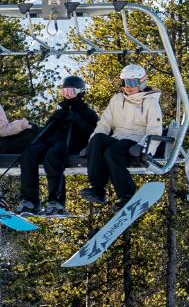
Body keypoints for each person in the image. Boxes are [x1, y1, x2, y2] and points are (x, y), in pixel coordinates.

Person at [82, 63, 163, 206]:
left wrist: (143, 147)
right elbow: (104, 124)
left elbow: (155, 130)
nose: (127, 86)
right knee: (98, 139)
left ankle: (127, 195)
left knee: (112, 153)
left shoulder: (150, 103)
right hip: (118, 138)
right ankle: (98, 189)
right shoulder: (117, 100)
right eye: (124, 82)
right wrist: (91, 144)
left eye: (132, 82)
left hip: (136, 140)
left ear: (142, 82)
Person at [19, 76, 97, 216]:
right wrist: (50, 124)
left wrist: (79, 121)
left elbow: (94, 133)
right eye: (65, 91)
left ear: (80, 92)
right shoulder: (60, 112)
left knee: (53, 156)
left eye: (71, 92)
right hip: (52, 142)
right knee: (29, 153)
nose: (67, 95)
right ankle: (29, 200)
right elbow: (46, 132)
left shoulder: (88, 113)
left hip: (73, 144)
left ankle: (56, 201)